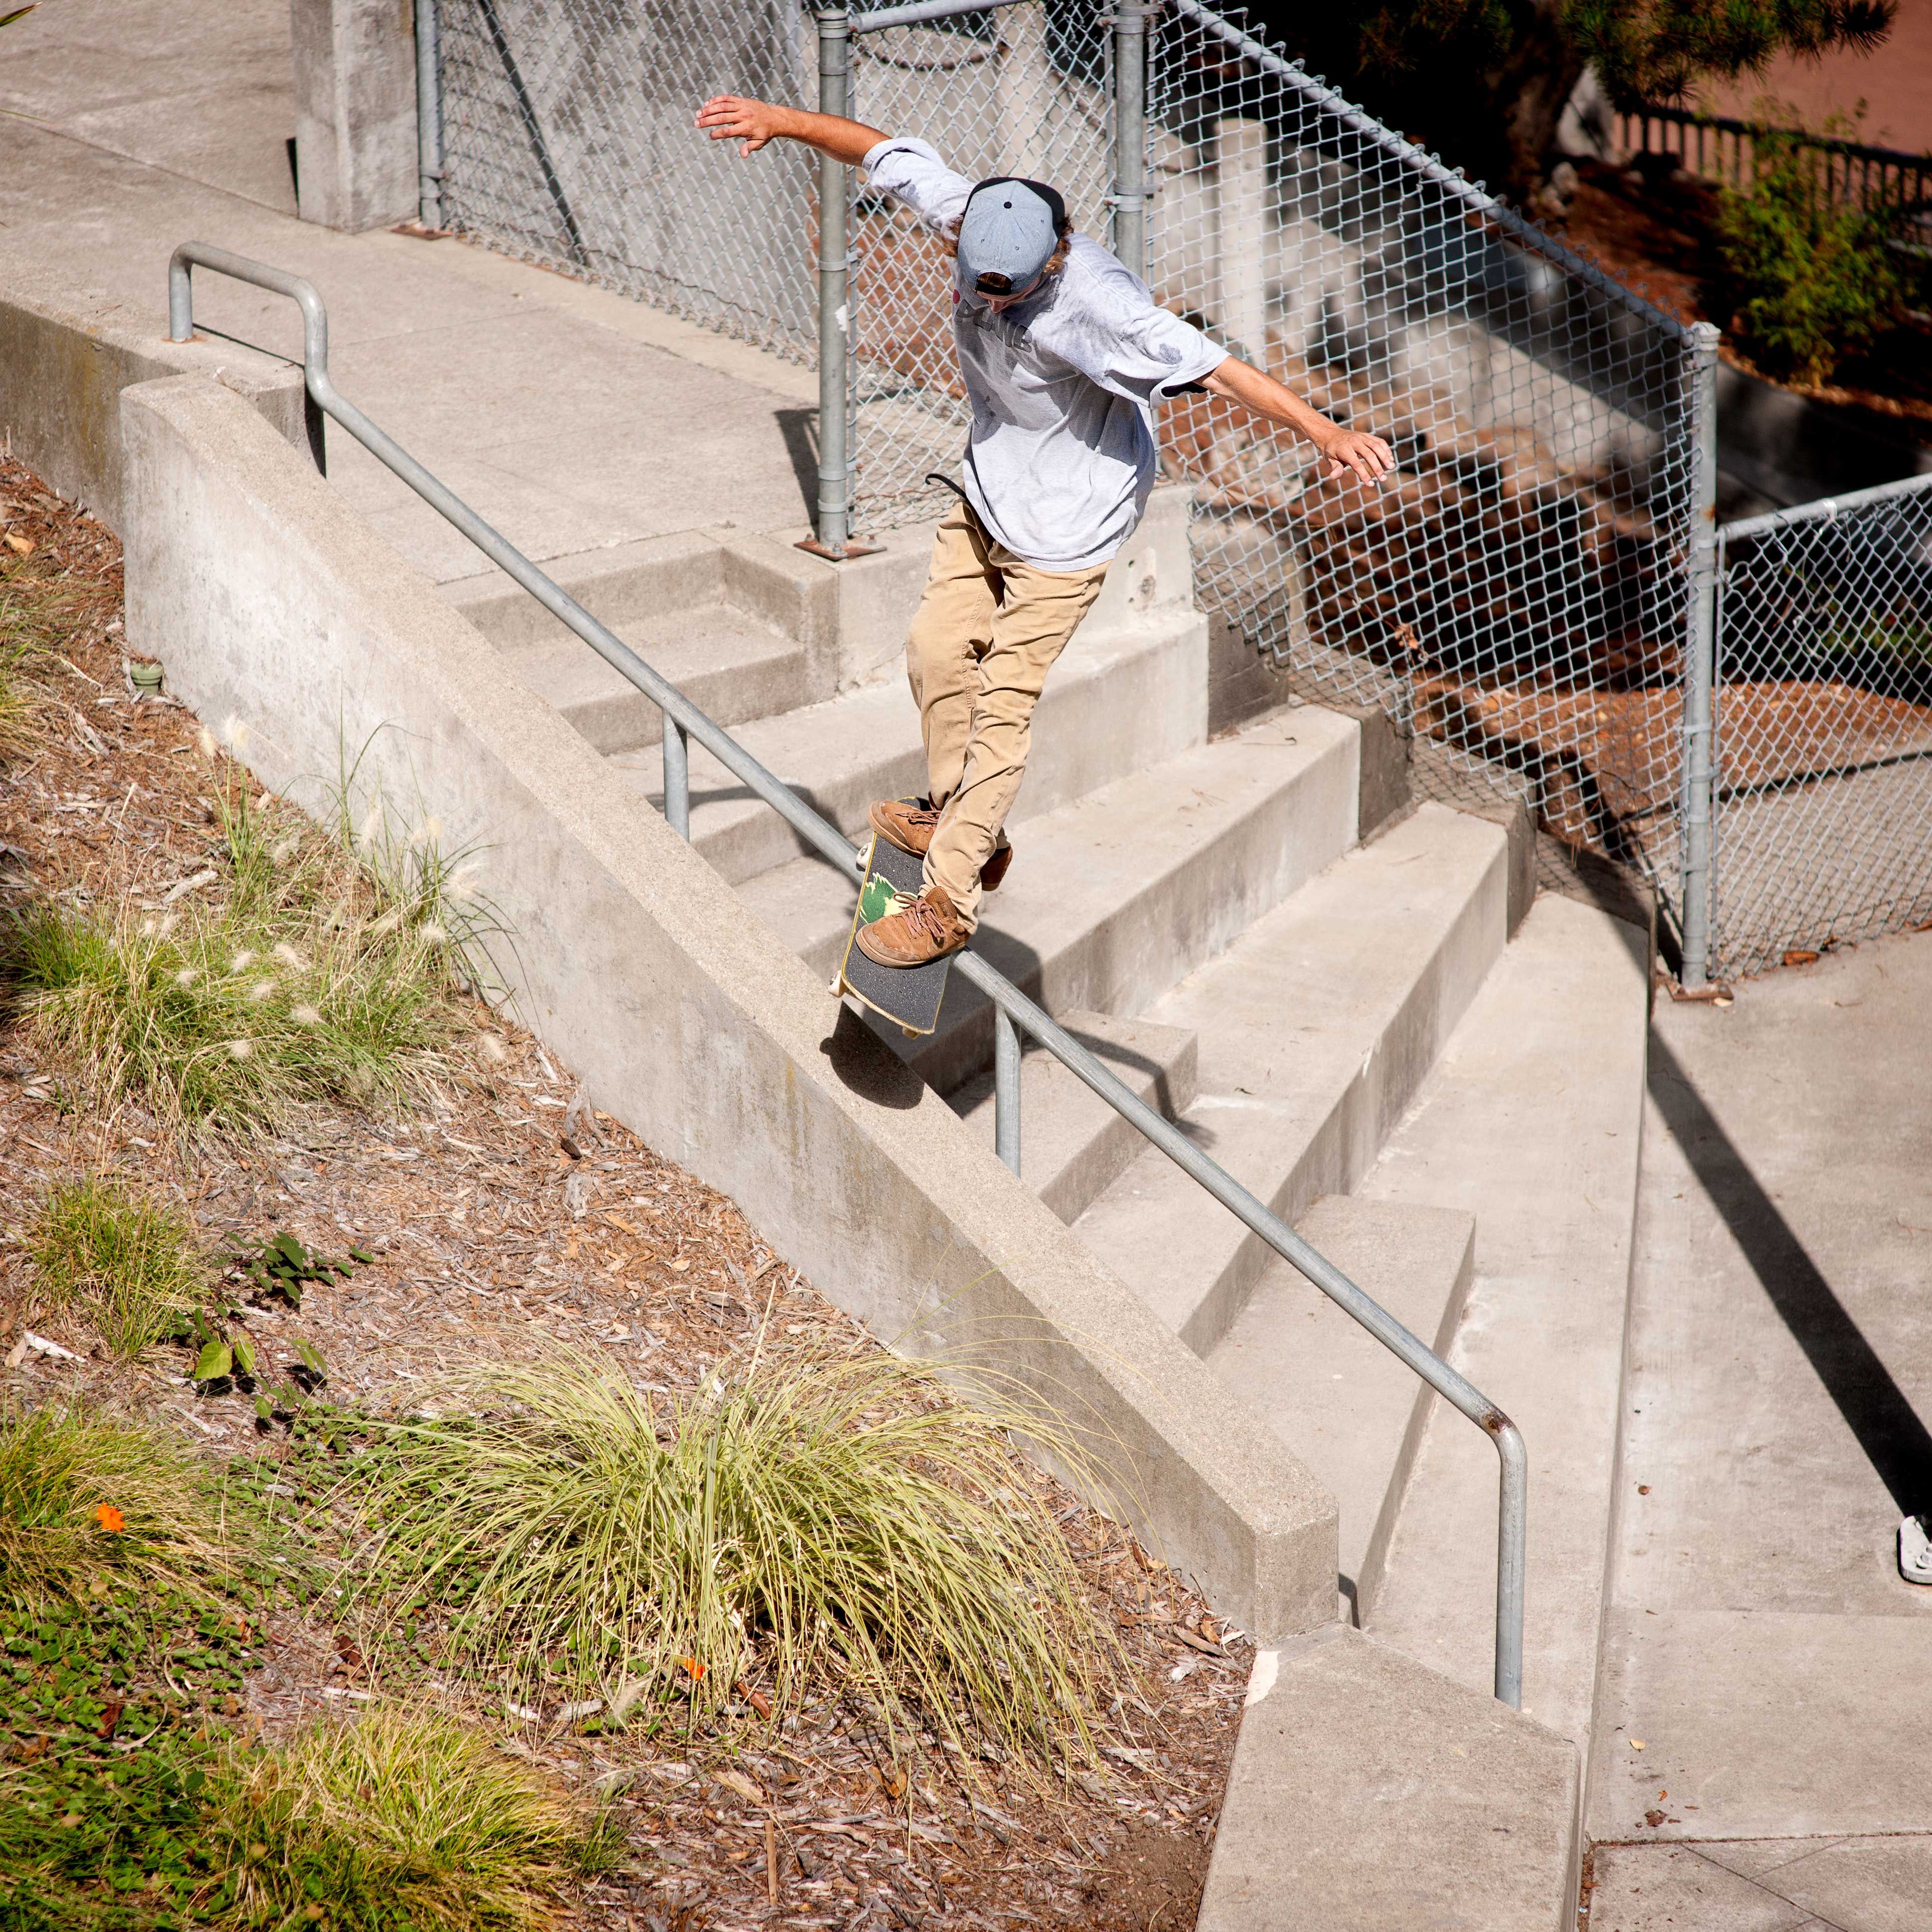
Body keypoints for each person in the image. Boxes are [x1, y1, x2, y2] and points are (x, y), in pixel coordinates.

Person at [696, 94, 1394, 968]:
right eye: (978, 282)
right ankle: (964, 815)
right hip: (991, 490)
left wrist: (1325, 432)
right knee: (934, 652)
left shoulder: (1099, 304)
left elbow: (1221, 372)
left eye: (1009, 291)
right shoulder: (977, 213)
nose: (989, 301)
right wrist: (780, 118)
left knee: (1001, 701)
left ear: (1053, 258)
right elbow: (882, 149)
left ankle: (950, 899)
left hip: (1070, 525)